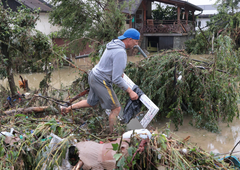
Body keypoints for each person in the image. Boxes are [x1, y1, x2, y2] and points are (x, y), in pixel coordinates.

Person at [61, 28, 140, 133]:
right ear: (129, 39)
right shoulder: (120, 52)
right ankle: (114, 136)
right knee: (116, 109)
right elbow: (116, 79)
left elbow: (110, 64)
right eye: (136, 41)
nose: (136, 44)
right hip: (101, 80)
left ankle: (66, 109)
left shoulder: (113, 44)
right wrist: (130, 91)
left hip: (94, 75)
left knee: (91, 102)